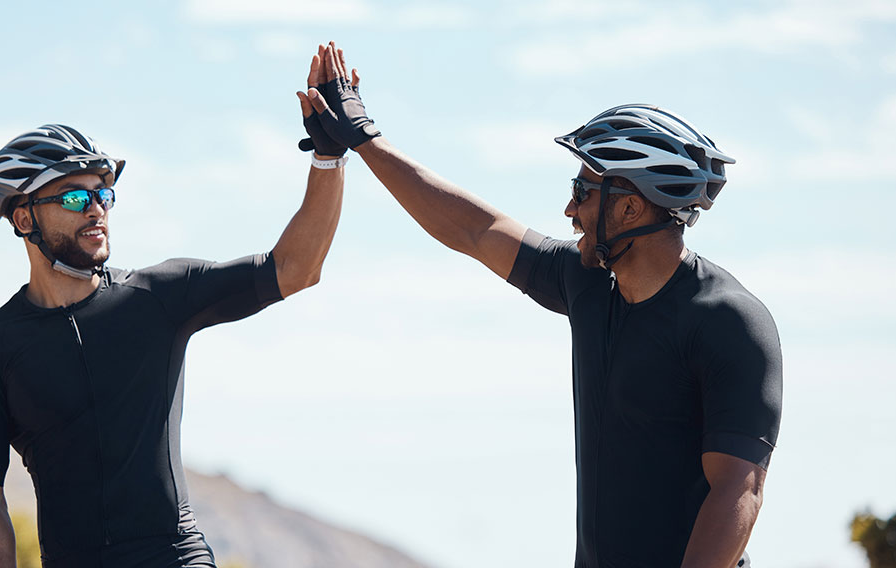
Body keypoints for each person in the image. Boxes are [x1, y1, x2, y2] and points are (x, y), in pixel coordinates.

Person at [301, 42, 781, 568]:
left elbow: (738, 491)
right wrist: (364, 139)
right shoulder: (590, 284)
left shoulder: (729, 322)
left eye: (583, 190)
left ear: (629, 206)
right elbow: (475, 229)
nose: (569, 209)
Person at [0, 50, 347, 568]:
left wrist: (329, 156)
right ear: (24, 218)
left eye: (104, 194)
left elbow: (296, 268)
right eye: (74, 199)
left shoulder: (158, 296)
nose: (96, 209)